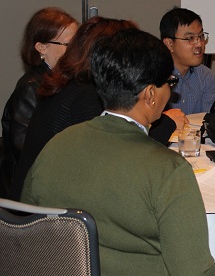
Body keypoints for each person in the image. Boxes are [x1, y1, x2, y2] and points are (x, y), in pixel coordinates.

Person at [20, 28, 215, 276]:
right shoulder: (168, 170)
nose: (170, 92)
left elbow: (28, 235)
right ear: (150, 95)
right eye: (169, 83)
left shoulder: (55, 146)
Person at [9, 17, 179, 201]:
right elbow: (122, 155)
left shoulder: (67, 83)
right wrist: (166, 122)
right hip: (49, 210)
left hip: (39, 200)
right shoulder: (87, 96)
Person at [0, 7, 77, 197]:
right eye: (68, 44)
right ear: (41, 47)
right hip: (27, 192)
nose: (76, 51)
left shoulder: (65, 82)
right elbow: (28, 152)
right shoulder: (30, 88)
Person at [160, 7, 215, 114]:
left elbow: (213, 119)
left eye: (201, 36)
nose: (199, 44)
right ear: (169, 44)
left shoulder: (205, 77)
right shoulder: (155, 77)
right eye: (190, 38)